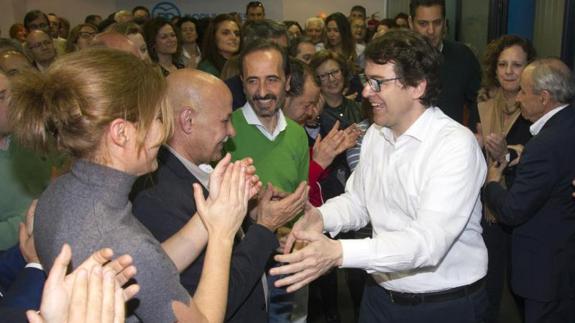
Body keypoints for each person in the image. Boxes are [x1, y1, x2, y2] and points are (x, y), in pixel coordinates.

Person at [9, 48, 254, 322]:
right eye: (159, 119)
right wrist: (222, 233)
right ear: (121, 133)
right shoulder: (118, 235)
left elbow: (146, 268)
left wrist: (209, 213)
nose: (164, 132)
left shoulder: (57, 193)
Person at [271, 29, 488, 322]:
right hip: (380, 298)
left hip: (443, 304)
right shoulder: (376, 133)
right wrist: (321, 218)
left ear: (417, 87)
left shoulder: (454, 146)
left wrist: (338, 252)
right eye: (366, 80)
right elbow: (360, 201)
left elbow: (426, 244)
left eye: (378, 83)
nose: (364, 92)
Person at [132, 69, 306, 322]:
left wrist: (251, 212)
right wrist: (264, 228)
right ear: (187, 121)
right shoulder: (157, 197)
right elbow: (217, 298)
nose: (232, 132)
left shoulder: (200, 171)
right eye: (224, 121)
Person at [484, 58, 575, 323]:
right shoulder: (566, 126)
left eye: (523, 91)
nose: (518, 99)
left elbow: (513, 210)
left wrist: (492, 182)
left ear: (544, 97)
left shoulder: (545, 144)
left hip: (546, 274)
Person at [225, 39, 309, 323]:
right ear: (242, 82)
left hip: (286, 260)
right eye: (252, 81)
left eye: (272, 79)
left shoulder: (297, 134)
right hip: (240, 264)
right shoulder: (226, 130)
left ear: (287, 81)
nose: (262, 92)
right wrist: (253, 213)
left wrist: (293, 231)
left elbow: (300, 199)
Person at [476, 35, 536, 322]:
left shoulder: (537, 104)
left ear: (529, 68)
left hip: (524, 203)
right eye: (502, 64)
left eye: (516, 65)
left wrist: (508, 152)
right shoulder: (484, 99)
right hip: (488, 201)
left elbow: (540, 150)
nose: (508, 71)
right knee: (488, 278)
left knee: (522, 282)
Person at [409, 0, 481, 129]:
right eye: (423, 24)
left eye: (437, 23)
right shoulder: (399, 59)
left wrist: (472, 132)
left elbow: (479, 101)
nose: (431, 31)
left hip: (451, 142)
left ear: (445, 22)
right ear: (410, 23)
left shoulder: (463, 56)